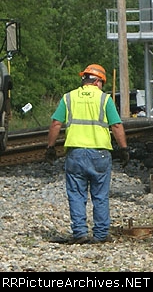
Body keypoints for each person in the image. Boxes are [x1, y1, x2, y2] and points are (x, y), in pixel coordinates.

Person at [45, 64, 130, 244]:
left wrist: (50, 147)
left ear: (84, 79)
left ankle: (80, 233)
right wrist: (123, 149)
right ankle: (100, 235)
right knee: (100, 195)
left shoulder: (69, 98)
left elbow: (55, 124)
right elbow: (116, 126)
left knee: (76, 194)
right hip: (99, 155)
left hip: (75, 154)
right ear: (98, 81)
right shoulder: (105, 100)